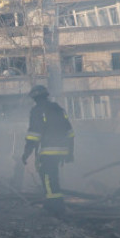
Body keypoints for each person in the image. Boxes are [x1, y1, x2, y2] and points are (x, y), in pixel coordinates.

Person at [21, 85, 74, 216]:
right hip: (62, 149)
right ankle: (56, 202)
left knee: (47, 177)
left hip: (48, 150)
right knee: (53, 177)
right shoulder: (58, 109)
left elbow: (34, 134)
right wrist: (70, 152)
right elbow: (70, 132)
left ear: (34, 98)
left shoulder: (37, 110)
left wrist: (26, 153)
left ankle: (55, 206)